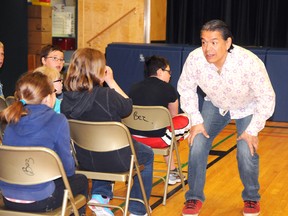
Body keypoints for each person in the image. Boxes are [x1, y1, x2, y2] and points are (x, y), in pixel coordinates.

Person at [177, 19, 276, 216]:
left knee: (245, 150)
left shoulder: (248, 62)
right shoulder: (195, 59)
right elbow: (186, 88)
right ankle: (194, 198)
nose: (207, 48)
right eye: (204, 42)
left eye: (214, 42)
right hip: (215, 103)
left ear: (228, 42)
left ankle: (251, 198)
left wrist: (253, 129)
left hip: (247, 106)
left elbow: (267, 97)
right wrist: (195, 121)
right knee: (197, 142)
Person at [61, 47, 154, 216]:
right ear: (99, 70)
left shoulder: (66, 99)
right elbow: (127, 107)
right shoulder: (107, 95)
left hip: (83, 159)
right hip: (116, 160)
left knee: (100, 149)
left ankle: (100, 195)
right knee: (147, 154)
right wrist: (111, 81)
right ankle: (138, 210)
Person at [0, 72, 88, 215]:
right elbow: (68, 170)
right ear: (48, 98)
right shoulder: (58, 120)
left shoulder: (11, 122)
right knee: (81, 181)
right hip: (41, 199)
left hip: (8, 197)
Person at [128, 55, 190, 185]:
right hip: (158, 139)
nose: (170, 75)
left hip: (133, 139)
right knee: (187, 119)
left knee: (166, 131)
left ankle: (171, 170)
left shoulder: (133, 87)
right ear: (160, 72)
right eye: (169, 72)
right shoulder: (168, 88)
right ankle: (172, 173)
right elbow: (173, 117)